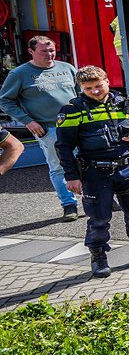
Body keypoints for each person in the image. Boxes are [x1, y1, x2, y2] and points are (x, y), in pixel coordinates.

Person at [55, 65, 129, 277]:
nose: (95, 91)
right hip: (95, 172)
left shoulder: (125, 103)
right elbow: (64, 147)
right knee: (99, 219)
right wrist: (72, 177)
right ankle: (99, 259)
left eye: (98, 86)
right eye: (88, 88)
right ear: (81, 88)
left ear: (107, 81)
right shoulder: (72, 110)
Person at [0, 35, 81, 220]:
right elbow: (5, 101)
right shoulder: (19, 74)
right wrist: (28, 121)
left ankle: (100, 199)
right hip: (49, 128)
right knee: (58, 167)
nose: (49, 54)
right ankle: (69, 205)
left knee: (89, 161)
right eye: (43, 51)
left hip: (77, 125)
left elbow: (80, 95)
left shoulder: (66, 68)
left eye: (51, 50)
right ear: (31, 51)